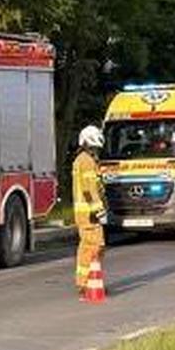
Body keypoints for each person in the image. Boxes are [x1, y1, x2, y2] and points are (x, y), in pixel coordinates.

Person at [73, 125, 107, 294]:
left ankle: (85, 280)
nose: (96, 151)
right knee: (95, 246)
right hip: (89, 214)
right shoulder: (86, 161)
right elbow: (88, 189)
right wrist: (98, 210)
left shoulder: (83, 159)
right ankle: (88, 282)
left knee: (88, 246)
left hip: (86, 213)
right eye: (94, 147)